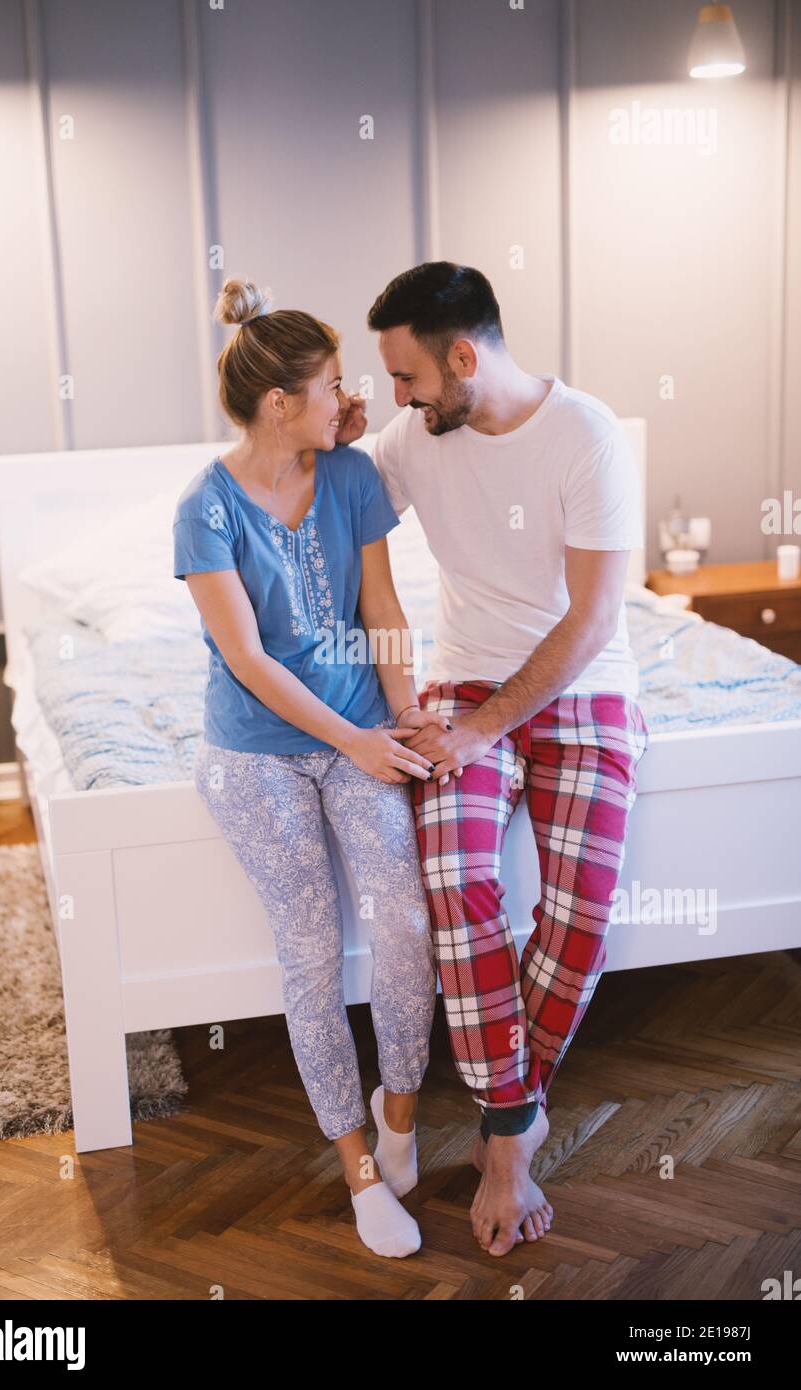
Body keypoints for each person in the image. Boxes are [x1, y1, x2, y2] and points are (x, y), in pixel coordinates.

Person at [365, 261, 649, 1256]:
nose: (395, 399)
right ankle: (509, 1136)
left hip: (583, 685)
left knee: (581, 915)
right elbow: (330, 508)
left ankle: (501, 1116)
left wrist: (486, 729)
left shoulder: (588, 436)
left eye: (406, 376)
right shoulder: (412, 436)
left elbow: (596, 616)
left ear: (463, 354)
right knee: (455, 877)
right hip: (461, 684)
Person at [172, 278, 447, 1259]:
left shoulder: (354, 474)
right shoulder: (203, 510)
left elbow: (382, 607)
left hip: (366, 730)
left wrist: (404, 708)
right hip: (256, 752)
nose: (351, 396)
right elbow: (248, 659)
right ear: (281, 400)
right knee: (310, 951)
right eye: (333, 383)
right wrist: (352, 740)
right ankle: (359, 1166)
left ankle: (402, 1115)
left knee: (407, 920)